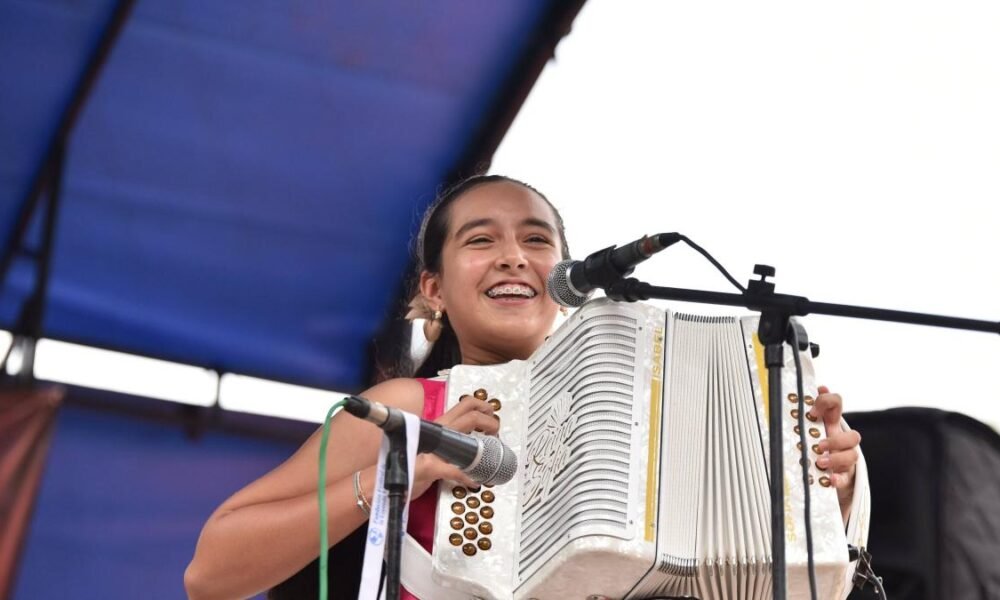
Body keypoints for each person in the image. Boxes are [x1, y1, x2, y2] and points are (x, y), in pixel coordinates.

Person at [184, 175, 865, 600]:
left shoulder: (645, 415)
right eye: (481, 241)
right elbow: (211, 572)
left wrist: (827, 496)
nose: (514, 255)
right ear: (434, 291)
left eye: (537, 241)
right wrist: (402, 476)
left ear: (565, 281)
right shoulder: (405, 409)